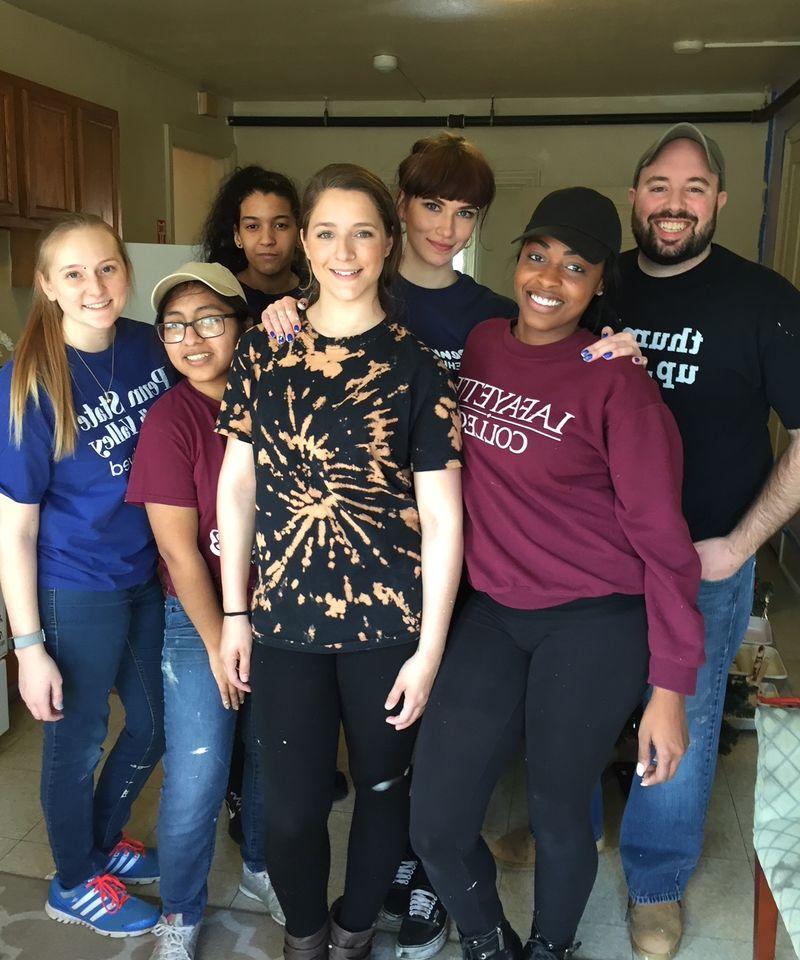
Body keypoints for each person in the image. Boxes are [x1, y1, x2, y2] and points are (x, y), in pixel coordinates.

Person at [261, 133, 643, 959]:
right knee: (420, 761)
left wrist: (620, 342)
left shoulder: (486, 317)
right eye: (432, 203)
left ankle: (431, 891)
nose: (447, 224)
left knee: (427, 753)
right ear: (397, 212)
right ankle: (411, 878)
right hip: (358, 563)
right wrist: (279, 307)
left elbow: (561, 354)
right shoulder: (343, 288)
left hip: (468, 560)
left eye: (466, 210)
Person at [409, 187, 706, 960]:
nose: (549, 278)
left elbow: (664, 540)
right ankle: (488, 941)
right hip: (495, 609)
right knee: (436, 820)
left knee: (557, 812)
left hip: (595, 619)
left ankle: (551, 946)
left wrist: (669, 690)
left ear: (599, 282)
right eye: (538, 256)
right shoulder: (480, 343)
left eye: (575, 267)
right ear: (517, 260)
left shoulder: (617, 382)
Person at [215, 162, 463, 960]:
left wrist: (429, 651)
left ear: (388, 245)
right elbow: (236, 488)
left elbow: (443, 515)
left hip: (390, 622)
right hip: (284, 621)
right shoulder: (263, 350)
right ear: (305, 244)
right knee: (288, 810)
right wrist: (233, 613)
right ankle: (305, 933)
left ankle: (355, 931)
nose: (344, 250)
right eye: (326, 231)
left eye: (363, 232)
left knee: (386, 790)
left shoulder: (417, 366)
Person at [617, 123, 800, 960]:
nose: (675, 203)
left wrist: (739, 543)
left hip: (703, 562)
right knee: (580, 705)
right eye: (660, 184)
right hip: (595, 555)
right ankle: (577, 828)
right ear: (635, 194)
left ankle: (654, 884)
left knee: (678, 722)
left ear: (720, 201)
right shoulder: (599, 282)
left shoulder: (765, 300)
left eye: (695, 188)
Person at [0, 213, 172, 937]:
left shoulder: (144, 345)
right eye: (73, 273)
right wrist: (29, 644)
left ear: (125, 271)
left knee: (155, 723)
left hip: (146, 571)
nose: (95, 286)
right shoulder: (28, 383)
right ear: (46, 287)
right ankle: (72, 881)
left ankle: (100, 845)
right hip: (74, 587)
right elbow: (15, 528)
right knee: (78, 739)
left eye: (106, 267)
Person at [125, 263, 285, 959]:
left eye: (210, 320)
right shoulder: (172, 419)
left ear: (242, 327)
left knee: (272, 763)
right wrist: (223, 641)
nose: (192, 338)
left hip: (284, 616)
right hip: (200, 619)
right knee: (197, 772)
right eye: (175, 326)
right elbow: (180, 552)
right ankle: (182, 912)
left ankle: (257, 869)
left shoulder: (283, 395)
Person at [201, 165, 303, 317]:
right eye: (253, 226)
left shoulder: (318, 294)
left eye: (280, 225)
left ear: (299, 232)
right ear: (238, 236)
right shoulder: (217, 296)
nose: (267, 240)